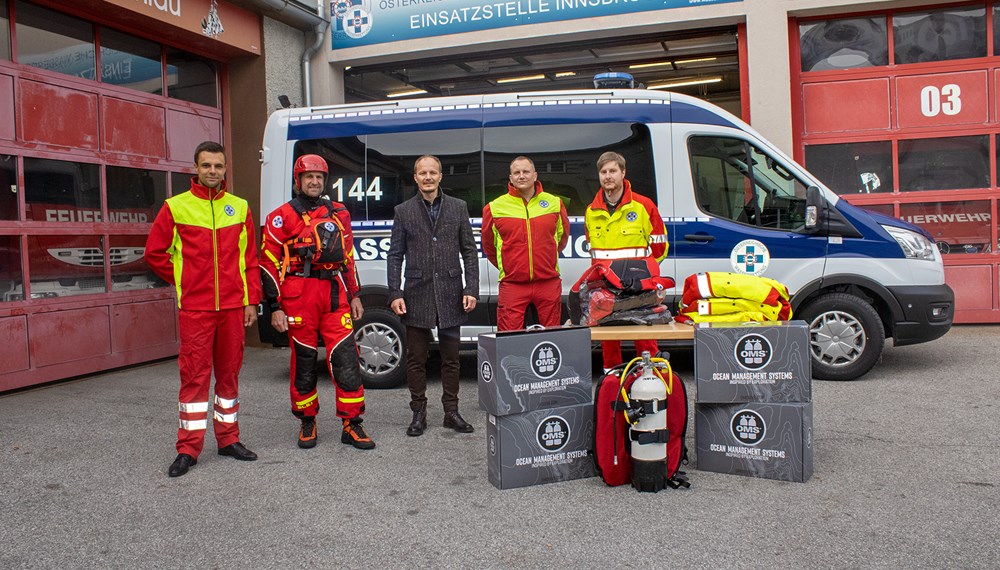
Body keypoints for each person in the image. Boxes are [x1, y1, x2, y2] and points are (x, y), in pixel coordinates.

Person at [145, 141, 262, 478]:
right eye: (207, 165)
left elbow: (249, 260)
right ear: (195, 168)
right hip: (195, 309)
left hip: (231, 309)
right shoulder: (175, 207)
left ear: (225, 169)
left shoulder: (238, 207)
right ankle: (188, 449)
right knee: (194, 380)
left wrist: (250, 300)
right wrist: (185, 280)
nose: (213, 171)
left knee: (229, 376)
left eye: (218, 166)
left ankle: (228, 439)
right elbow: (155, 253)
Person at [259, 154, 375, 451]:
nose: (314, 181)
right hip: (298, 295)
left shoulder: (339, 212)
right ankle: (307, 420)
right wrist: (275, 306)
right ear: (298, 181)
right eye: (308, 176)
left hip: (334, 293)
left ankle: (352, 423)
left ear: (325, 181)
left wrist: (355, 294)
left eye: (319, 177)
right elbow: (267, 264)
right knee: (305, 361)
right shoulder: (280, 217)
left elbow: (348, 256)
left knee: (347, 359)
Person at [387, 155, 479, 437]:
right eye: (422, 173)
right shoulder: (403, 211)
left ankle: (451, 412)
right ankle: (419, 413)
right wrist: (395, 293)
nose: (428, 177)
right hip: (417, 294)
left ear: (440, 176)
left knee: (452, 359)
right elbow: (395, 255)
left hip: (452, 294)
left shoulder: (458, 207)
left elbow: (469, 252)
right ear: (415, 177)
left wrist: (471, 289)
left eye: (433, 172)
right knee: (416, 358)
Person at [584, 151, 668, 370]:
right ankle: (612, 382)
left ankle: (650, 376)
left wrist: (643, 274)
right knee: (609, 338)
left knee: (644, 334)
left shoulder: (643, 205)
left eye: (613, 171)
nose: (608, 176)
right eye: (603, 172)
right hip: (605, 285)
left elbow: (660, 247)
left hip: (638, 285)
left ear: (623, 173)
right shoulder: (591, 211)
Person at [482, 156, 570, 331]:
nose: (521, 176)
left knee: (551, 340)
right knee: (510, 340)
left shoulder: (554, 203)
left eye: (526, 172)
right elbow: (489, 246)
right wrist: (509, 265)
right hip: (513, 284)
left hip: (548, 282)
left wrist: (545, 259)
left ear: (535, 175)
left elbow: (561, 238)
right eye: (517, 172)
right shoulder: (495, 207)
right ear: (511, 178)